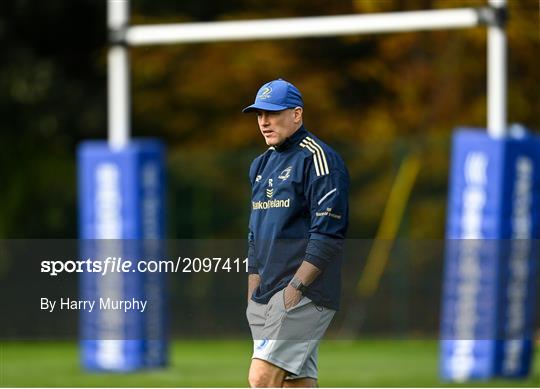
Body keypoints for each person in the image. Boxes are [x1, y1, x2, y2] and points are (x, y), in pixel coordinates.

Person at [243, 79, 349, 387]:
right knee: (296, 383)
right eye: (259, 114)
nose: (264, 122)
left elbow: (328, 235)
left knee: (262, 378)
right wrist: (253, 291)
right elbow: (255, 234)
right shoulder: (260, 165)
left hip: (304, 293)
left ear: (297, 114)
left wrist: (294, 290)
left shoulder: (319, 159)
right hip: (267, 296)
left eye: (272, 113)